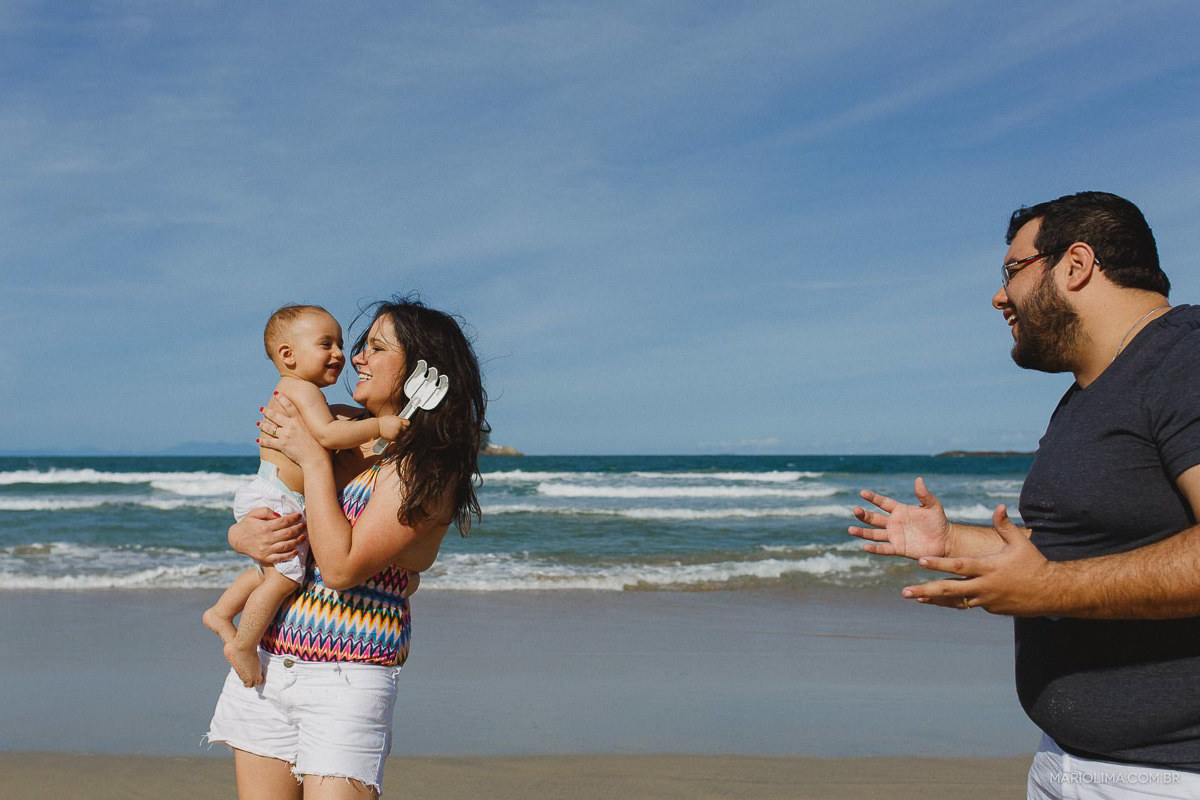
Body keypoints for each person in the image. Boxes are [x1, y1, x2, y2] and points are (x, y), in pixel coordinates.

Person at [849, 191, 1200, 797]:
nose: (998, 296)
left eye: (1012, 272)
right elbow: (1085, 542)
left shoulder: (1186, 360)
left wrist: (1050, 591)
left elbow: (1057, 576)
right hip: (1067, 762)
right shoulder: (1092, 391)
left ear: (1076, 263)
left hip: (1163, 777)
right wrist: (955, 540)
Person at [207, 296, 486, 799]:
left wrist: (313, 462)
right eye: (358, 346)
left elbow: (339, 568)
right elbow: (278, 497)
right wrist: (241, 533)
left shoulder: (427, 463)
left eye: (375, 347)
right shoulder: (333, 427)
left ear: (423, 368)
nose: (354, 357)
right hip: (268, 665)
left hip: (346, 675)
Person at [203, 304, 406, 688]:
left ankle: (221, 612)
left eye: (342, 344)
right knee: (283, 579)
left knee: (270, 571)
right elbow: (328, 435)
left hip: (272, 490)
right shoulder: (301, 389)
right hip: (280, 494)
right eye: (326, 344)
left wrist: (369, 423)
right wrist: (381, 425)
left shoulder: (311, 398)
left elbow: (332, 422)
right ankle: (243, 644)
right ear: (288, 355)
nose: (343, 354)